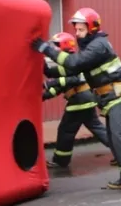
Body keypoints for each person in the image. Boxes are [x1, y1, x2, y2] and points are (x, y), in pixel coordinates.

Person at [31, 8, 121, 195]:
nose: (77, 34)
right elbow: (68, 70)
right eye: (76, 30)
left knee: (120, 137)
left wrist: (47, 49)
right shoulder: (90, 46)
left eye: (80, 30)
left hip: (119, 95)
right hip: (110, 98)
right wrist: (44, 64)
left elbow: (75, 64)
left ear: (92, 28)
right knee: (114, 138)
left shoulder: (98, 45)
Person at [42, 32, 111, 169]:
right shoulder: (68, 62)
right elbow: (53, 75)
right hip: (84, 101)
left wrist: (50, 84)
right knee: (98, 129)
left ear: (64, 46)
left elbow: (74, 80)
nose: (53, 48)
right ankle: (120, 151)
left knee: (66, 131)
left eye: (55, 45)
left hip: (79, 102)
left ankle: (61, 160)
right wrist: (40, 58)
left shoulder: (74, 60)